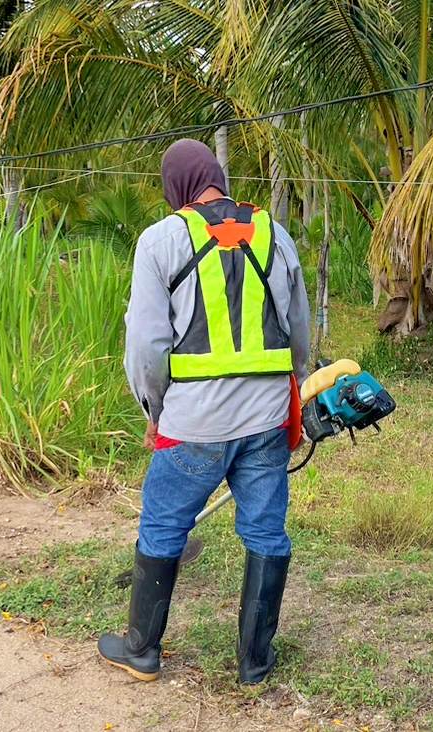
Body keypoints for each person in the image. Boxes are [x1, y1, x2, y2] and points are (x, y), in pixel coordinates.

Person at [97, 139, 311, 685]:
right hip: (266, 420)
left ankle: (142, 651)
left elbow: (147, 345)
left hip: (193, 422)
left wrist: (154, 409)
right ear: (216, 176)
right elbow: (299, 331)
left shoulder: (162, 240)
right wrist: (299, 389)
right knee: (265, 532)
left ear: (176, 187)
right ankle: (255, 663)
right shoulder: (275, 234)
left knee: (165, 524)